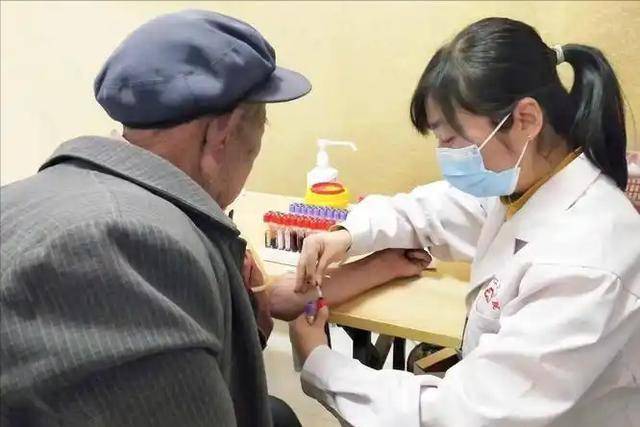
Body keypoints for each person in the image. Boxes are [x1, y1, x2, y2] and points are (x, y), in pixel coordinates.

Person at [0, 9, 430, 427]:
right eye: (258, 137)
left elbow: (233, 300)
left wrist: (371, 268)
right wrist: (320, 363)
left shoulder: (86, 199)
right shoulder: (124, 250)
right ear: (221, 136)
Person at [291, 17, 640, 427]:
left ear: (526, 119)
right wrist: (348, 235)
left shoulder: (586, 261)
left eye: (451, 138)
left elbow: (466, 414)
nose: (445, 154)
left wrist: (321, 364)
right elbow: (433, 209)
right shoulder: (528, 186)